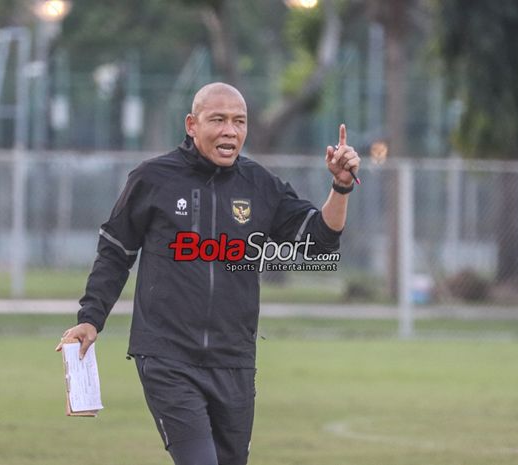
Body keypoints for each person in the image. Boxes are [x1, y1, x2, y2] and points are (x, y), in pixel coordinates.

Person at [56, 82, 359, 465]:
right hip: (167, 357)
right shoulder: (153, 179)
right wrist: (90, 318)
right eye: (218, 119)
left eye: (239, 121)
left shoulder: (260, 185)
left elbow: (319, 241)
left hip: (234, 359)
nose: (230, 130)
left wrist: (341, 186)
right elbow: (116, 252)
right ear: (191, 124)